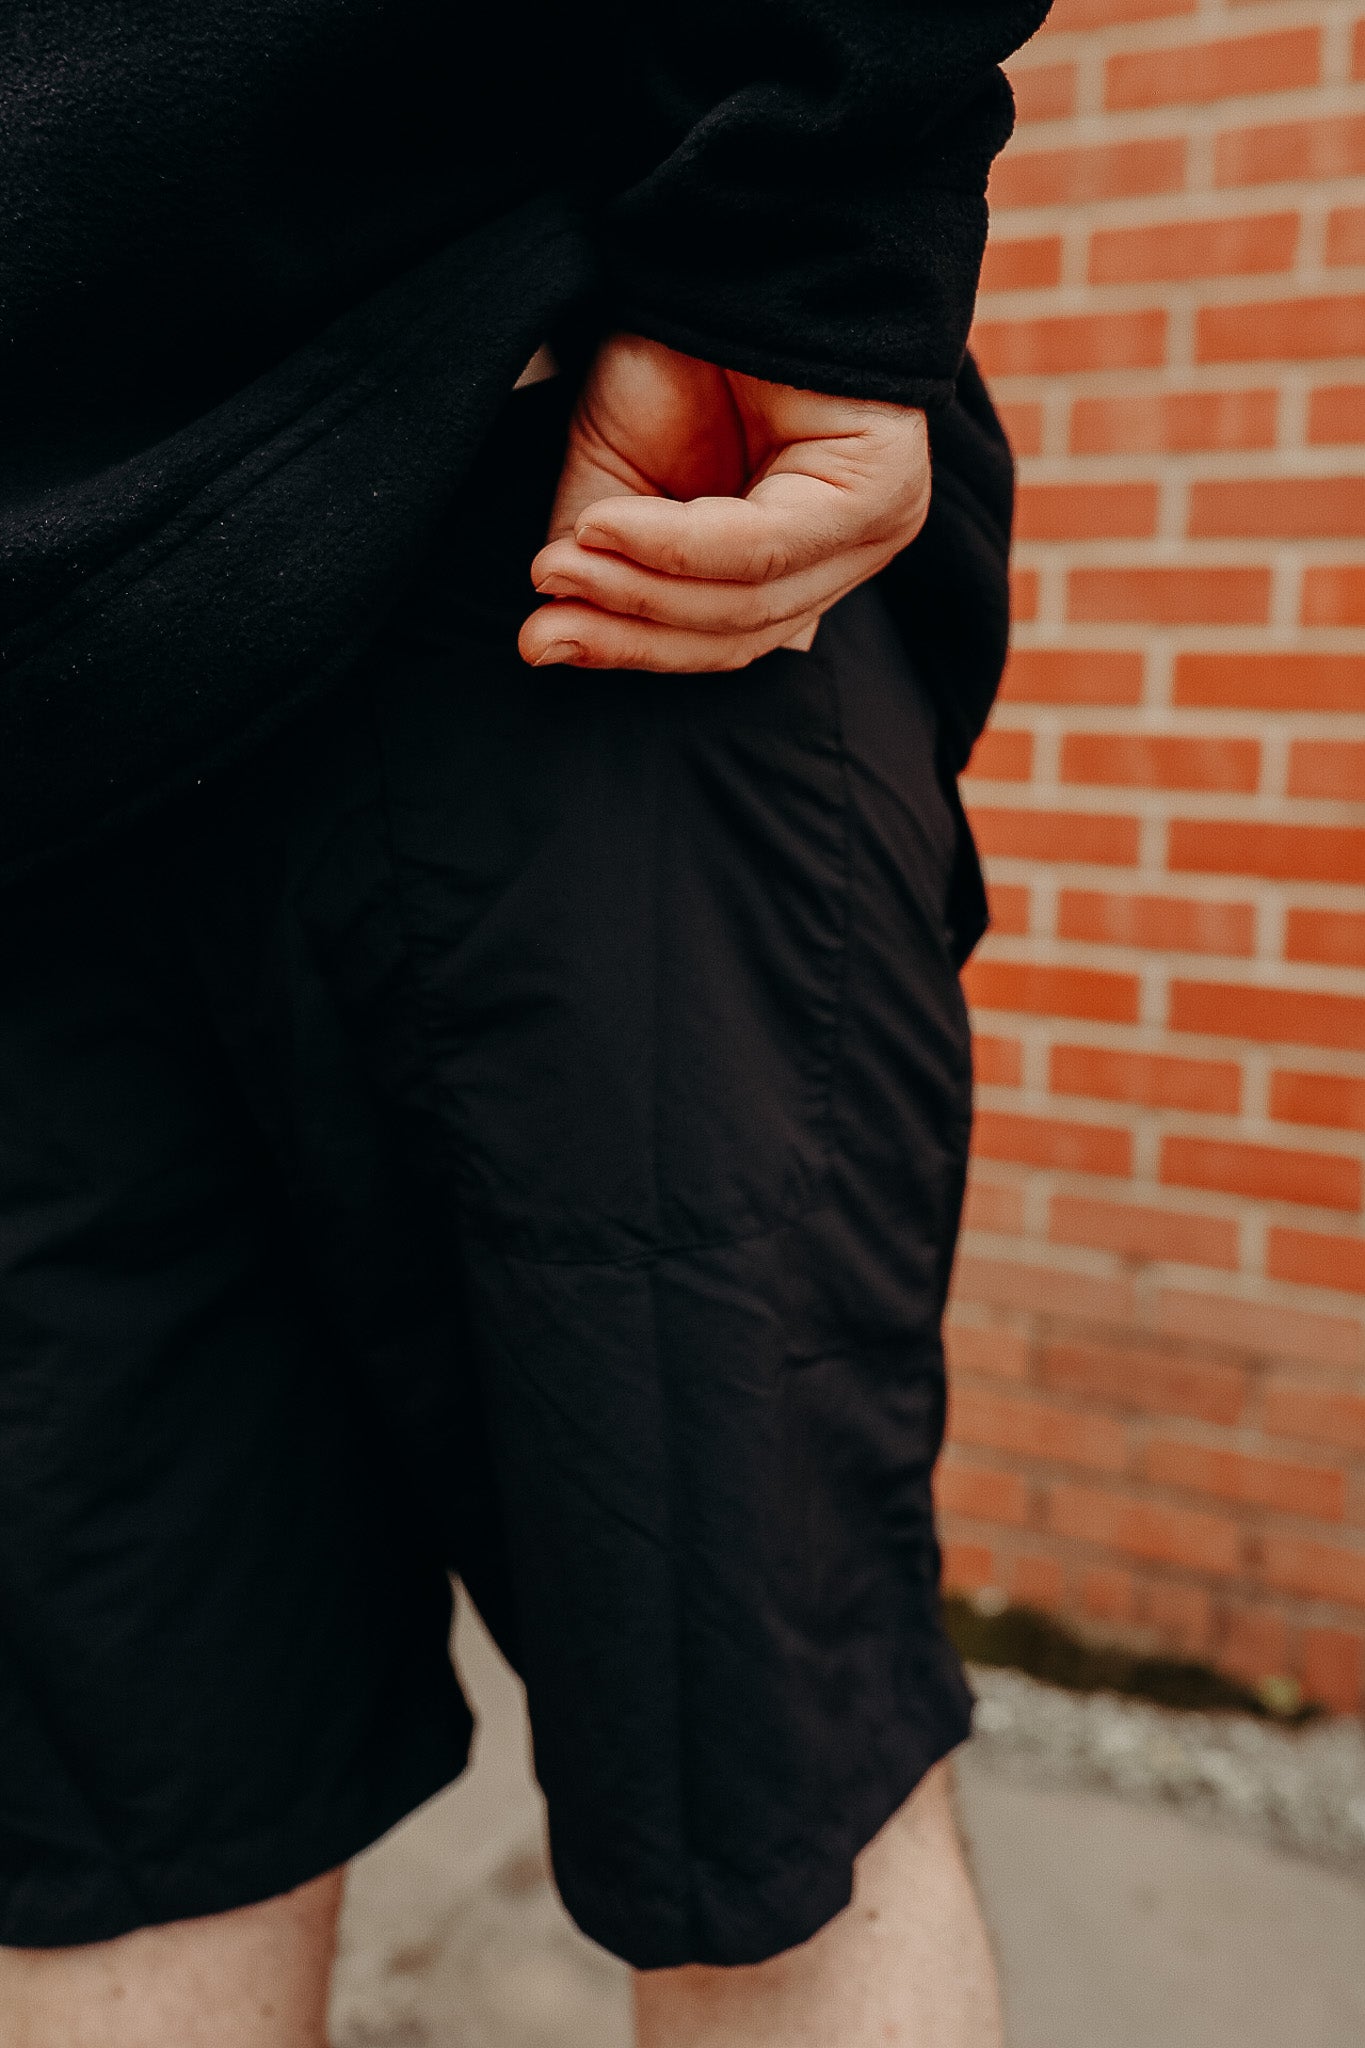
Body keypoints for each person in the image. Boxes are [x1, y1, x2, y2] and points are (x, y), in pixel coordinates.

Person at [0, 3, 1050, 2042]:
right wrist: (808, 230)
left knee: (751, 1816)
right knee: (130, 1840)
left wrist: (793, 246)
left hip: (566, 500)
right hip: (185, 643)